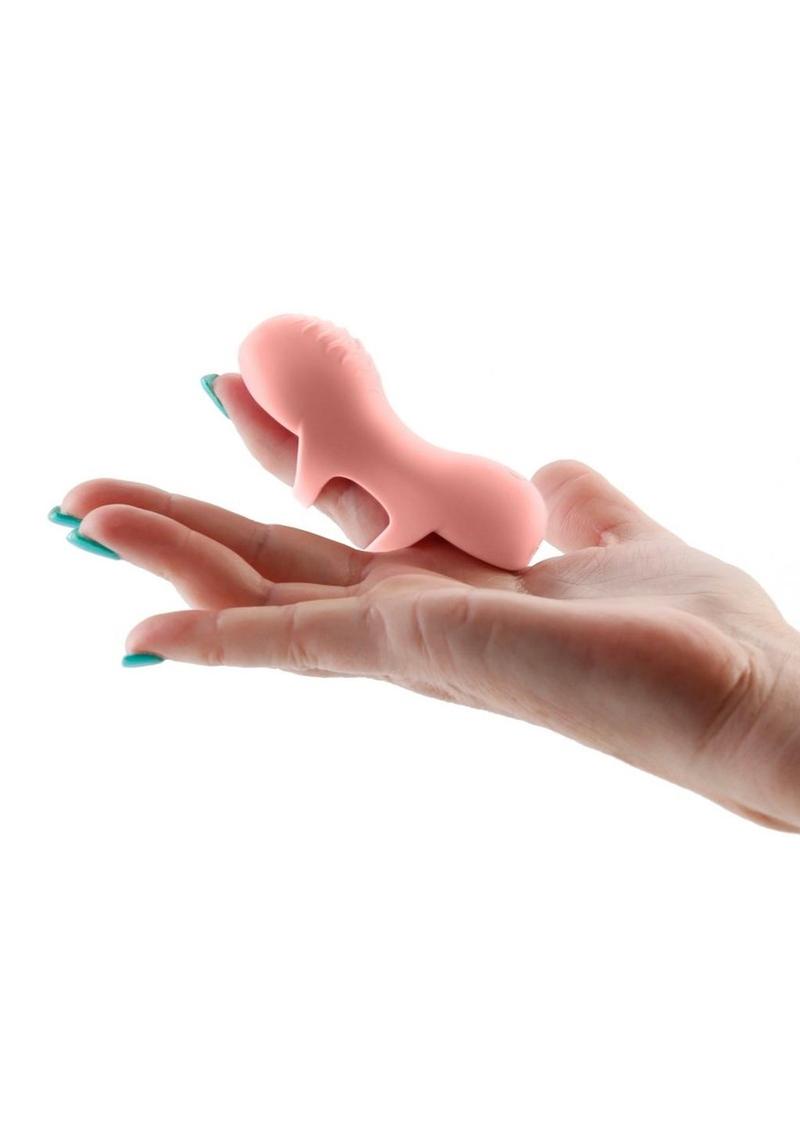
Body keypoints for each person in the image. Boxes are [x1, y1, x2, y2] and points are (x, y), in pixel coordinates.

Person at [54, 372, 800, 832]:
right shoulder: (355, 433)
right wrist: (747, 715)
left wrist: (752, 708)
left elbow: (368, 482)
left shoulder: (365, 443)